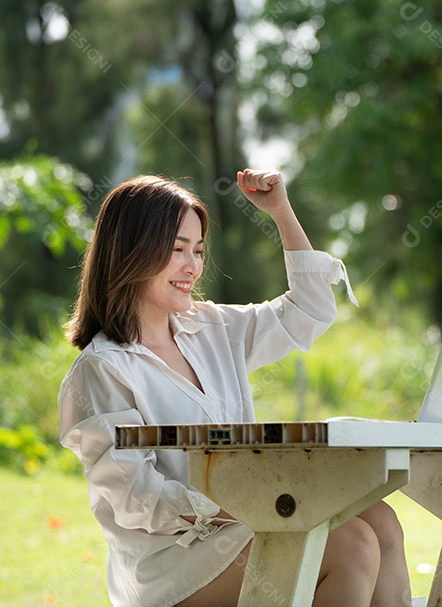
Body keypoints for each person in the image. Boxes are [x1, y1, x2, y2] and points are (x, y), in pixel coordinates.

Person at [58, 170, 411, 607]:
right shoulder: (102, 369)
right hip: (171, 564)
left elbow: (310, 311)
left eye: (198, 250)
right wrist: (255, 502)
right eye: (177, 250)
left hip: (248, 524)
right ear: (131, 252)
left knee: (380, 520)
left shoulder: (212, 328)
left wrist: (280, 212)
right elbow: (136, 498)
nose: (193, 266)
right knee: (350, 543)